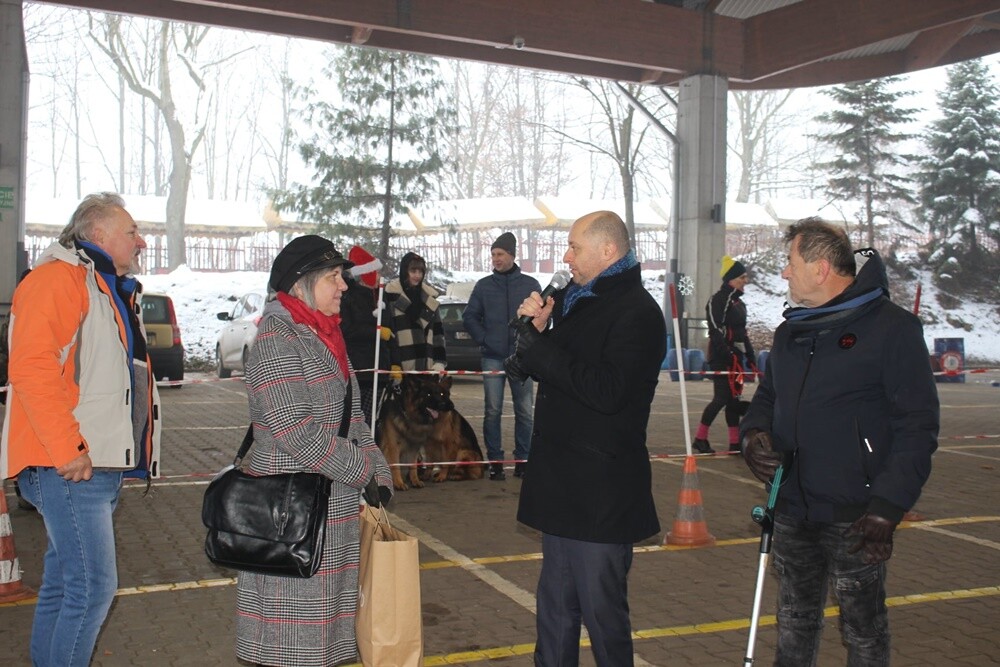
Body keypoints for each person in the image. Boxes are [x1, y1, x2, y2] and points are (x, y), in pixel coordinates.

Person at [740, 217, 939, 666]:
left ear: (822, 268)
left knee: (863, 629)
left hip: (857, 513)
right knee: (794, 618)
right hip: (792, 507)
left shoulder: (893, 329)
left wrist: (889, 505)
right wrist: (753, 435)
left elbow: (917, 425)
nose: (785, 273)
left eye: (790, 262)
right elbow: (768, 398)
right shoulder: (792, 331)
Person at [1, 192, 162, 666]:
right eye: (132, 231)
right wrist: (68, 447)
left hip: (93, 464)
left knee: (65, 585)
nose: (142, 242)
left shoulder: (102, 285)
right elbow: (32, 368)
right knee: (93, 588)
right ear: (97, 234)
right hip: (71, 465)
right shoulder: (58, 279)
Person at [505, 211, 665, 667]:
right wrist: (533, 338)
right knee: (554, 614)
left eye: (575, 247)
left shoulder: (637, 312)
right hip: (561, 486)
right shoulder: (578, 301)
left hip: (600, 493)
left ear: (608, 250)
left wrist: (544, 350)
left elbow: (609, 391)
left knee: (602, 615)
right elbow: (548, 369)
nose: (566, 256)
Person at [235, 235, 393, 667]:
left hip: (330, 506)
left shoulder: (326, 335)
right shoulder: (277, 339)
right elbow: (297, 433)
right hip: (290, 512)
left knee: (322, 641)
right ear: (302, 284)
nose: (343, 286)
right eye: (333, 278)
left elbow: (355, 417)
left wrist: (380, 472)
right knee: (292, 644)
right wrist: (363, 470)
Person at [463, 232, 542, 481]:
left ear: (512, 255)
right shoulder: (484, 286)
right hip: (493, 357)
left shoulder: (531, 285)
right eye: (493, 255)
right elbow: (469, 316)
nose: (495, 259)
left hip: (523, 358)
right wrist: (485, 339)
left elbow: (541, 318)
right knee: (492, 410)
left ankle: (523, 460)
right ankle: (495, 461)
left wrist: (531, 342)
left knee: (525, 411)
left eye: (500, 254)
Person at [693, 255, 756, 454]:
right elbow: (715, 330)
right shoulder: (718, 300)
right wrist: (727, 353)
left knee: (733, 400)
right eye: (742, 277)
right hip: (721, 357)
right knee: (721, 398)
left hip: (736, 357)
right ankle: (699, 439)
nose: (745, 281)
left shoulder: (740, 304)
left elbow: (742, 333)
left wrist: (751, 356)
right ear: (731, 279)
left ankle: (735, 444)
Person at [340, 245, 391, 425]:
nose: (378, 277)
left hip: (380, 368)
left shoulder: (381, 296)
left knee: (372, 418)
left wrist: (395, 363)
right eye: (375, 273)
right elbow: (347, 329)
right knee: (358, 419)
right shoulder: (348, 298)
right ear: (365, 274)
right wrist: (376, 333)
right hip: (360, 369)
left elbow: (392, 332)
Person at [383, 251, 446, 377]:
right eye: (413, 271)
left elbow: (438, 334)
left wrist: (439, 362)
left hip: (427, 366)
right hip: (401, 364)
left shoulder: (430, 298)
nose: (417, 275)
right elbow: (388, 333)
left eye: (421, 271)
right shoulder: (390, 296)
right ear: (405, 271)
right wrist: (391, 364)